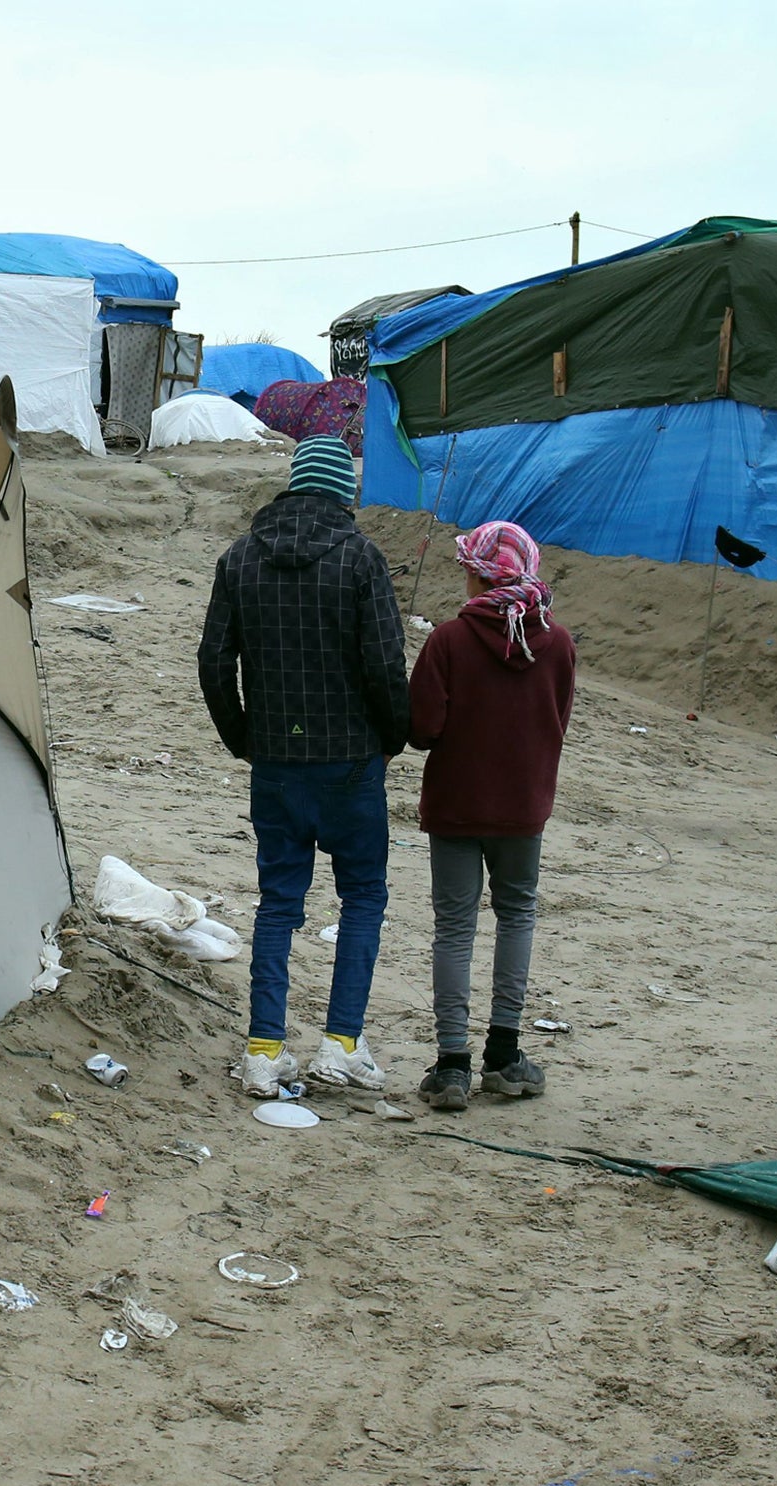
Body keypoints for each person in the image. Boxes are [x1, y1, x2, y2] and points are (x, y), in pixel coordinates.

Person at [198, 435, 411, 1098]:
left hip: (277, 762)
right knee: (364, 896)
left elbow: (213, 662)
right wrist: (394, 735)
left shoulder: (240, 559)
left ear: (292, 485)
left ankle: (264, 1050)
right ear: (343, 493)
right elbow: (383, 664)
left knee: (279, 904)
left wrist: (243, 737)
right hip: (350, 758)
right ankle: (342, 1042)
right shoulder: (360, 558)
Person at [408, 520, 576, 1110]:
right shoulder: (557, 642)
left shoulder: (448, 641)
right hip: (523, 807)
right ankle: (503, 1054)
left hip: (456, 806)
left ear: (481, 572)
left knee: (454, 928)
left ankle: (452, 1063)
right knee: (517, 916)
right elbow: (557, 720)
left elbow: (423, 731)